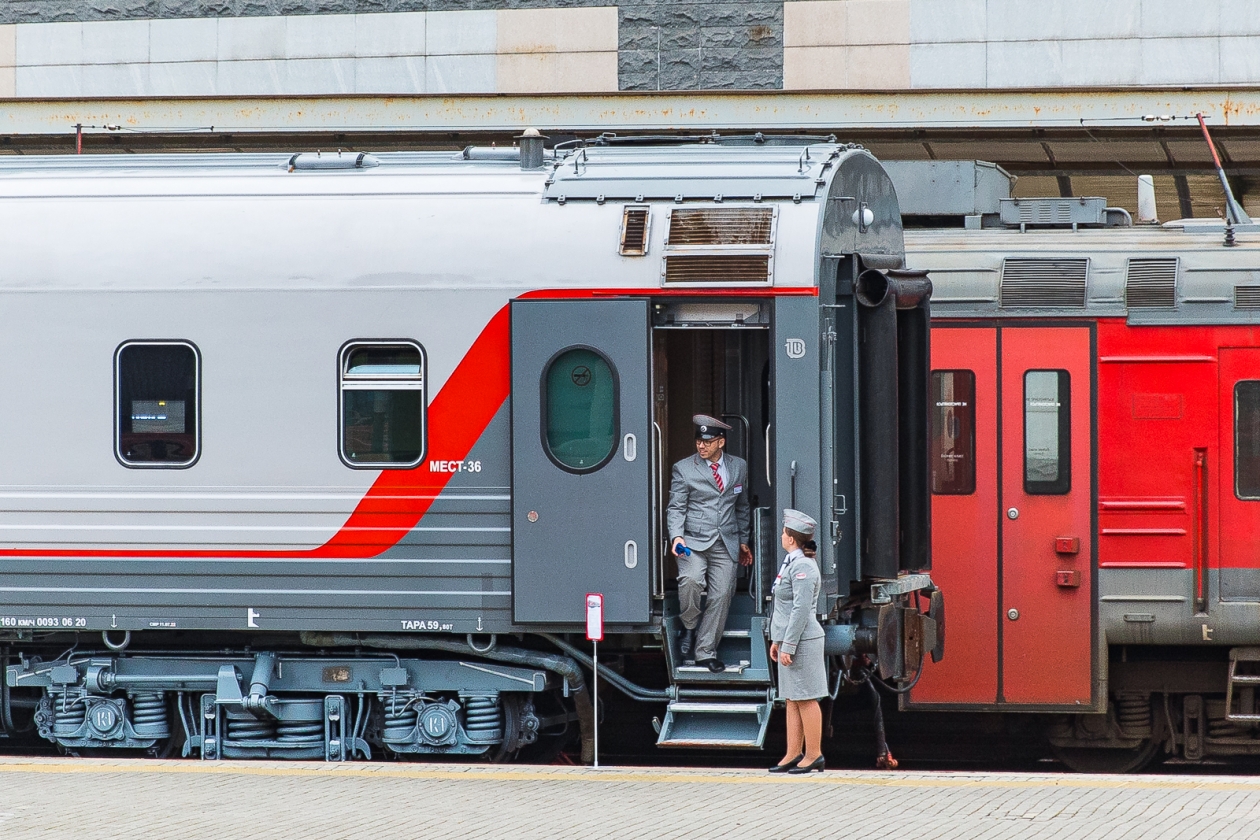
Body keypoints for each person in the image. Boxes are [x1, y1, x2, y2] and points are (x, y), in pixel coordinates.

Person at [667, 414, 752, 672]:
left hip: (726, 542)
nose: (701, 446)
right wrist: (676, 536)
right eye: (698, 441)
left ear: (721, 442)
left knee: (722, 594)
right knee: (691, 582)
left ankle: (704, 652)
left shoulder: (739, 467)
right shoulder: (684, 468)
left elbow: (742, 506)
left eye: (708, 442)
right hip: (692, 541)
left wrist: (743, 541)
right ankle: (690, 627)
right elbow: (676, 507)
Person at [768, 509, 827, 774]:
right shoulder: (793, 562)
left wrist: (788, 645)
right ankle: (793, 753)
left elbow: (801, 610)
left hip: (803, 640)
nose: (781, 535)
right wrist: (777, 640)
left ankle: (814, 754)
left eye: (784, 532)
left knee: (806, 697)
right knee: (791, 698)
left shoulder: (802, 566)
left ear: (791, 538)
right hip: (791, 640)